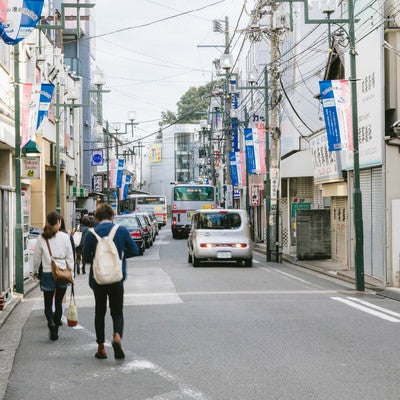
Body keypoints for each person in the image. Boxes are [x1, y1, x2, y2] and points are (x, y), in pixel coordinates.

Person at [82, 203, 139, 360]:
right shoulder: (121, 230)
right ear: (112, 216)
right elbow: (135, 250)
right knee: (117, 312)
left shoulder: (91, 233)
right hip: (116, 278)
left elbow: (86, 258)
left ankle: (101, 347)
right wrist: (119, 256)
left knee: (99, 312)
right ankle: (117, 337)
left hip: (98, 279)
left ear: (97, 218)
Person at [32, 211, 74, 341]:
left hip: (47, 272)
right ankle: (55, 326)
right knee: (59, 301)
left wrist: (34, 271)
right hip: (62, 272)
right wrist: (71, 272)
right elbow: (70, 256)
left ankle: (51, 323)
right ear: (58, 222)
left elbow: (36, 257)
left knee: (48, 303)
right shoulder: (65, 237)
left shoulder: (42, 238)